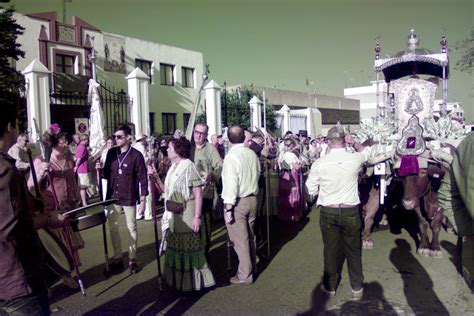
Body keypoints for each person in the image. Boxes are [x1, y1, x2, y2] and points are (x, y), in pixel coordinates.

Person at [0, 95, 68, 316]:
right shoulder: (5, 170)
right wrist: (49, 219)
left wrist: (29, 200)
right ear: (10, 126)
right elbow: (13, 228)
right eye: (18, 125)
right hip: (16, 280)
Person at [305, 125, 367, 300]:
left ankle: (331, 286)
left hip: (329, 210)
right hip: (350, 210)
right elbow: (368, 152)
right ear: (343, 139)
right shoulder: (355, 159)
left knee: (331, 249)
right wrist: (355, 144)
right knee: (354, 250)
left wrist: (324, 191)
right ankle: (356, 286)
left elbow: (310, 188)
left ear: (329, 141)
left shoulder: (319, 163)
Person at [157, 136, 215, 291]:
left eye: (170, 147)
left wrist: (197, 217)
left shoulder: (189, 167)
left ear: (178, 150)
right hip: (174, 214)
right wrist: (154, 177)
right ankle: (179, 281)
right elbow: (166, 191)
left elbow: (198, 194)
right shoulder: (172, 167)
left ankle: (192, 283)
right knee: (176, 246)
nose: (167, 150)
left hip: (188, 214)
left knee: (188, 247)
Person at [28, 132, 84, 288]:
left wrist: (76, 196)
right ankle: (49, 282)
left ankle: (69, 274)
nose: (66, 143)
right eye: (62, 140)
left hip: (66, 208)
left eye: (66, 139)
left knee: (68, 244)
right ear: (53, 143)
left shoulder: (68, 158)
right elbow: (30, 186)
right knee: (54, 247)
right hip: (50, 210)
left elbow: (73, 180)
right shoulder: (41, 160)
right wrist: (40, 173)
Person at [100, 124, 148, 274]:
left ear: (128, 137)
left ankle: (132, 259)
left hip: (128, 196)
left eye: (119, 136)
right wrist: (99, 169)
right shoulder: (111, 153)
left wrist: (143, 199)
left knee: (131, 227)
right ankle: (118, 257)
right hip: (113, 196)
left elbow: (143, 178)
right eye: (115, 136)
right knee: (113, 227)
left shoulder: (136, 155)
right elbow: (106, 174)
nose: (116, 139)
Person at [222, 125, 260, 284]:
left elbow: (231, 184)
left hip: (238, 201)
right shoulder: (251, 153)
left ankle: (245, 274)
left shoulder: (231, 157)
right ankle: (252, 266)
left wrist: (228, 208)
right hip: (253, 198)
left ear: (229, 139)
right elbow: (258, 172)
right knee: (250, 237)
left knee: (240, 240)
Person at [191, 123, 223, 253]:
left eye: (202, 133)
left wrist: (212, 174)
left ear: (206, 135)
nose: (198, 135)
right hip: (189, 195)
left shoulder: (210, 149)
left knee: (205, 227)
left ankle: (205, 253)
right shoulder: (188, 147)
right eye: (196, 132)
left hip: (205, 194)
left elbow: (220, 166)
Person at [278, 138, 304, 222]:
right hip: (291, 176)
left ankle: (284, 215)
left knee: (284, 195)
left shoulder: (281, 154)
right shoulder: (291, 155)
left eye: (288, 144)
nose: (288, 146)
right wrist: (301, 164)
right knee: (293, 193)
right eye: (287, 144)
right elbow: (296, 167)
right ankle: (293, 215)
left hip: (283, 176)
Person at [133, 135, 153, 220]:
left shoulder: (133, 147)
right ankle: (148, 213)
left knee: (138, 193)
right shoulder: (141, 147)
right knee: (147, 193)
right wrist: (150, 158)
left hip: (135, 174)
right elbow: (144, 160)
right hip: (143, 172)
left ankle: (138, 213)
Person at [74, 134, 91, 206]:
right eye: (87, 139)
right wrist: (76, 166)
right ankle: (84, 202)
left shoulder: (80, 147)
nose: (88, 141)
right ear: (85, 139)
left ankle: (83, 200)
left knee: (84, 186)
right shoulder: (82, 147)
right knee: (83, 187)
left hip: (83, 169)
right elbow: (79, 159)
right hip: (82, 169)